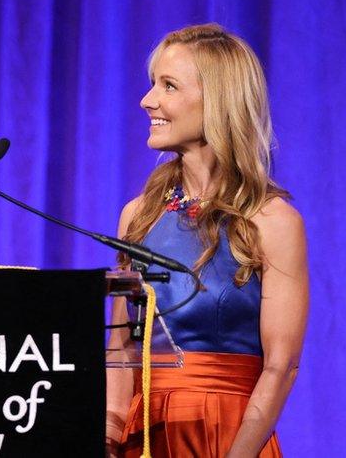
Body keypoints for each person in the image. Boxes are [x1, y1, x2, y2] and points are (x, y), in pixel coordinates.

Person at [106, 24, 308, 457]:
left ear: (217, 100)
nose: (147, 100)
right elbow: (122, 347)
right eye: (151, 83)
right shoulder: (137, 216)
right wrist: (109, 437)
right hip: (144, 437)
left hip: (225, 435)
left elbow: (280, 366)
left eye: (168, 85)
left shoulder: (272, 222)